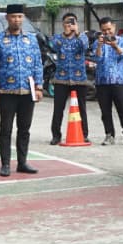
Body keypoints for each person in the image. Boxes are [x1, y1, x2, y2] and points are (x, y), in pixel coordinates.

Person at [0, 4, 43, 177]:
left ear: (23, 18)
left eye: (19, 16)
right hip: (6, 92)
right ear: (7, 18)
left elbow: (37, 63)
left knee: (24, 129)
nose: (16, 20)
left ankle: (22, 162)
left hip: (27, 92)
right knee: (6, 129)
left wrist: (39, 86)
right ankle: (5, 164)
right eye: (13, 17)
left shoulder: (31, 39)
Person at [48, 12, 93, 145]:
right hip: (61, 79)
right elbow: (54, 46)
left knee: (81, 108)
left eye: (72, 22)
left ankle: (84, 134)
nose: (69, 25)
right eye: (67, 22)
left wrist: (77, 33)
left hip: (79, 79)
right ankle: (56, 135)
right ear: (62, 24)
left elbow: (85, 46)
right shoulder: (58, 38)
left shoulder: (82, 37)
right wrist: (65, 34)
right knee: (58, 109)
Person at [92, 17, 123, 145]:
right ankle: (109, 135)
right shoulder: (97, 42)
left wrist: (115, 46)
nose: (107, 32)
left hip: (118, 81)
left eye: (109, 29)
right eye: (104, 30)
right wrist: (99, 45)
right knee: (105, 111)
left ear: (114, 27)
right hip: (102, 81)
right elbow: (96, 59)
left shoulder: (122, 41)